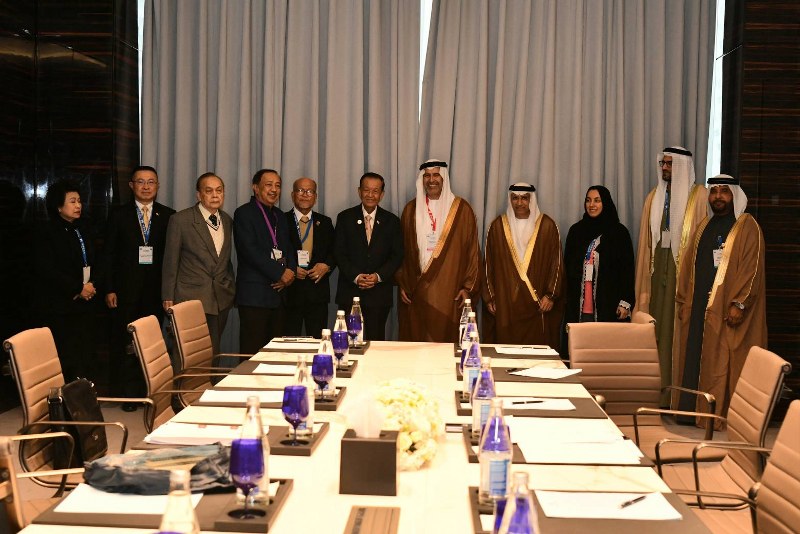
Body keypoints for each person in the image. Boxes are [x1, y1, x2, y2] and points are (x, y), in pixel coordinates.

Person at [673, 175, 767, 423]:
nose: (718, 197)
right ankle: (692, 413)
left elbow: (752, 269)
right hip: (699, 307)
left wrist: (739, 303)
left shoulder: (747, 227)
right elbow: (688, 265)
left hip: (728, 308)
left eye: (724, 191)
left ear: (734, 195)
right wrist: (684, 299)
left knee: (722, 359)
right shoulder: (705, 225)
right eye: (714, 192)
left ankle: (717, 415)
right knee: (697, 356)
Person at [634, 147, 706, 405]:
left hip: (682, 275)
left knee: (675, 334)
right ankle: (652, 394)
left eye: (669, 164)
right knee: (655, 329)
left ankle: (675, 397)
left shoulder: (699, 197)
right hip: (656, 274)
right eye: (663, 164)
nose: (664, 168)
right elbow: (646, 244)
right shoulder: (654, 197)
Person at [103, 166, 174, 411]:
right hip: (125, 291)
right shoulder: (118, 215)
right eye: (141, 182)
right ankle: (129, 394)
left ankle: (149, 392)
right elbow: (108, 254)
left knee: (152, 343)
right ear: (131, 185)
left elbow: (172, 258)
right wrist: (109, 288)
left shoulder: (168, 216)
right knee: (127, 342)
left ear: (158, 186)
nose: (146, 187)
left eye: (151, 182)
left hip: (155, 291)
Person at [396, 160, 480, 342]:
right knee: (417, 342)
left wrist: (468, 288)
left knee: (446, 342)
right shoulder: (410, 210)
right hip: (416, 289)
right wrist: (403, 282)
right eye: (427, 176)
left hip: (450, 290)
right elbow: (401, 251)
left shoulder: (462, 210)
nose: (431, 180)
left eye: (436, 175)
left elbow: (472, 252)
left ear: (444, 178)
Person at [162, 172, 235, 356]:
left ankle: (210, 377)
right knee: (188, 354)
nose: (215, 195)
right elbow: (170, 261)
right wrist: (168, 295)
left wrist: (230, 287)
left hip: (220, 298)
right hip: (190, 297)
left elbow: (225, 259)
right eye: (209, 191)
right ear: (199, 195)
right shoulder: (180, 220)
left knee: (214, 352)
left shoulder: (227, 220)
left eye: (219, 190)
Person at [483, 183, 564, 348]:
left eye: (524, 198)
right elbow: (487, 265)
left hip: (538, 304)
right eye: (515, 198)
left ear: (531, 200)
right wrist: (490, 297)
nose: (519, 203)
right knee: (505, 350)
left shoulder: (547, 226)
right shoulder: (497, 226)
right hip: (506, 303)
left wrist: (551, 295)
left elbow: (556, 264)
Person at [35, 180, 100, 381]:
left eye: (79, 201)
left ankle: (84, 392)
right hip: (62, 305)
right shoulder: (47, 233)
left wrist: (91, 285)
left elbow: (96, 260)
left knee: (85, 355)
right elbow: (47, 269)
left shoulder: (83, 228)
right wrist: (77, 288)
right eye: (72, 201)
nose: (78, 205)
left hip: (86, 301)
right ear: (58, 206)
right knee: (65, 356)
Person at [334, 172, 403, 340]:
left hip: (379, 294)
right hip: (350, 292)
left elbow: (397, 255)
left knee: (376, 342)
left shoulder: (392, 221)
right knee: (349, 342)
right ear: (359, 191)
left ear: (382, 194)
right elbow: (339, 253)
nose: (370, 195)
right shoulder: (345, 218)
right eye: (366, 190)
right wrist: (356, 276)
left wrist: (378, 276)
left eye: (375, 191)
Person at [233, 169, 296, 353]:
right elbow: (249, 251)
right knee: (252, 353)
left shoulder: (280, 215)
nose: (274, 190)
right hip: (255, 296)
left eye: (278, 185)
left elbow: (288, 248)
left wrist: (290, 272)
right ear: (255, 188)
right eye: (268, 185)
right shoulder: (244, 213)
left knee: (276, 354)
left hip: (279, 295)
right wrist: (280, 273)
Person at [563, 185, 635, 331]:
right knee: (579, 343)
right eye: (588, 200)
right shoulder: (576, 231)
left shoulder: (619, 233)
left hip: (608, 306)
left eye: (597, 200)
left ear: (605, 203)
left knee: (604, 344)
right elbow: (566, 269)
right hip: (578, 307)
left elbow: (627, 271)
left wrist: (625, 302)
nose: (591, 205)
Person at [283, 177, 335, 337]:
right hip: (289, 292)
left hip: (317, 293)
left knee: (318, 342)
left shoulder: (325, 222)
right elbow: (274, 250)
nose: (305, 195)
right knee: (288, 342)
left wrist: (326, 266)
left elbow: (335, 251)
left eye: (310, 191)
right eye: (300, 190)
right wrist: (290, 268)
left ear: (315, 196)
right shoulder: (281, 220)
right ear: (292, 195)